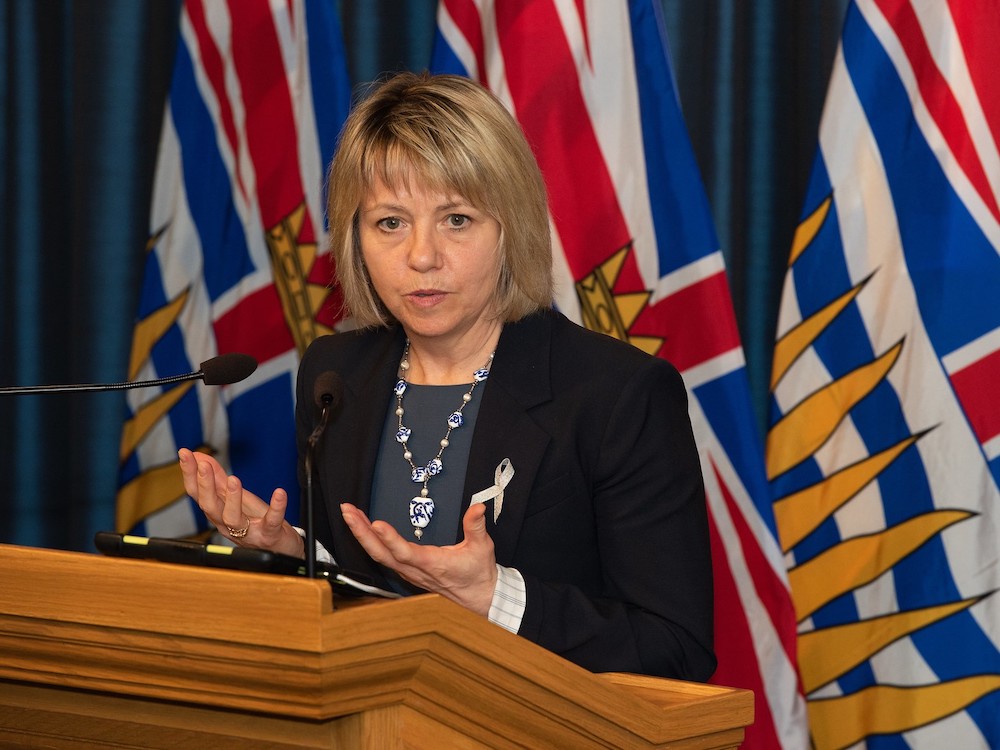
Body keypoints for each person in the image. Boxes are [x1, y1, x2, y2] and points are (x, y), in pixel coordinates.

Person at [179, 71, 715, 681]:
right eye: (390, 223)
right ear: (355, 238)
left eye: (456, 219)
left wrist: (496, 599)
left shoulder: (617, 395)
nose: (422, 255)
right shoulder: (334, 377)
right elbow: (366, 594)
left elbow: (677, 649)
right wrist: (293, 556)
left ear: (510, 229)